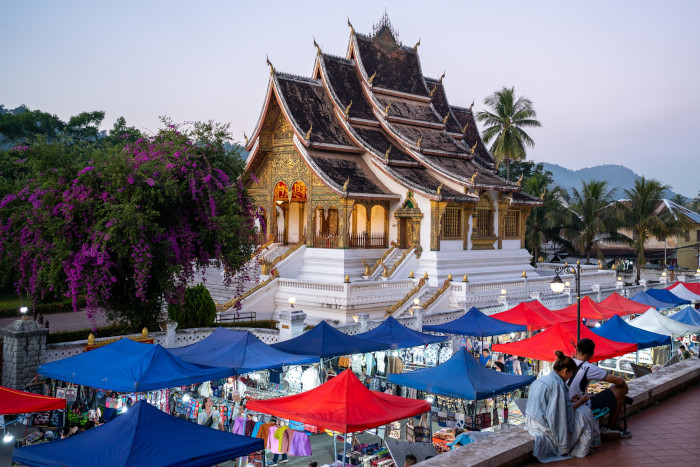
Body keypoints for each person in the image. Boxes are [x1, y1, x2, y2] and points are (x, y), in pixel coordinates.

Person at [525, 351, 592, 461]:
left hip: (532, 421)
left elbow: (554, 405)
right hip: (542, 425)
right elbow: (557, 415)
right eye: (570, 374)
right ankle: (578, 450)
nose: (570, 377)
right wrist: (562, 445)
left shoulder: (543, 379)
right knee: (584, 413)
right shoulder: (558, 384)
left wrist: (569, 401)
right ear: (565, 371)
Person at [569, 338, 630, 437]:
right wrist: (626, 389)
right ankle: (611, 426)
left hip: (566, 404)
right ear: (592, 354)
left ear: (576, 351)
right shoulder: (589, 368)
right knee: (620, 390)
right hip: (580, 405)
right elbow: (620, 381)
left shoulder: (568, 363)